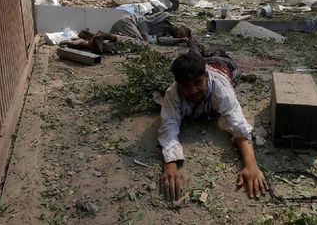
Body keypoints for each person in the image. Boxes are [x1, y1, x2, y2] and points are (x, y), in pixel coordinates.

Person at [157, 51, 268, 200]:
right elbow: (168, 126)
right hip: (206, 64)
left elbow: (238, 124)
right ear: (178, 84)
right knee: (199, 54)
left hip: (223, 65)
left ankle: (210, 53)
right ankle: (201, 52)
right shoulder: (173, 93)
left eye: (198, 83)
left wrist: (251, 165)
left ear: (206, 77)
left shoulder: (221, 90)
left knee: (219, 57)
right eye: (186, 86)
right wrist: (170, 165)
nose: (193, 90)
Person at [109, 12, 191, 46]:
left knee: (127, 46)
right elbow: (143, 23)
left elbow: (161, 40)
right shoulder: (165, 16)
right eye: (181, 33)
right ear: (182, 27)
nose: (178, 34)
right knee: (141, 43)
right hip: (129, 22)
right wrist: (145, 37)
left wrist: (179, 40)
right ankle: (108, 36)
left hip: (125, 31)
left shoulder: (168, 34)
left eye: (179, 36)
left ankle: (104, 38)